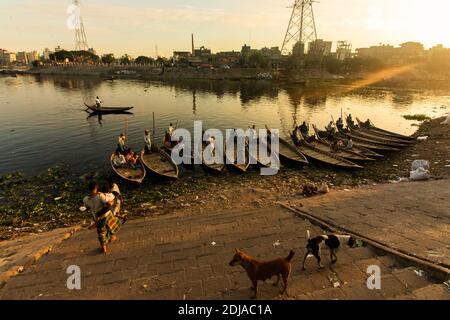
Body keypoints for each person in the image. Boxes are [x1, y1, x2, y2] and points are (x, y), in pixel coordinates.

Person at [83, 181, 125, 254]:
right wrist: (111, 202)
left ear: (89, 189)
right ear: (96, 188)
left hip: (97, 218)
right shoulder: (100, 196)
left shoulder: (85, 199)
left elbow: (87, 207)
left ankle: (105, 245)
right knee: (111, 226)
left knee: (101, 232)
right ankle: (109, 240)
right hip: (106, 215)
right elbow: (108, 203)